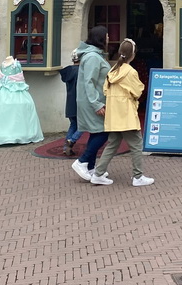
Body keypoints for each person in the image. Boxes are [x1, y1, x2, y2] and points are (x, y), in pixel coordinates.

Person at [90, 38, 154, 187]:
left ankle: (98, 173)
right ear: (133, 54)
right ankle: (138, 176)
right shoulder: (130, 72)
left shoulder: (112, 70)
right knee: (137, 143)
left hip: (113, 112)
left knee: (112, 144)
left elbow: (105, 90)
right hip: (126, 112)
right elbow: (138, 91)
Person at [71, 26, 112, 182]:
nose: (108, 39)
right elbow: (89, 82)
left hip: (92, 101)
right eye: (107, 36)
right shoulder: (93, 57)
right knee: (103, 131)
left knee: (96, 132)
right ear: (101, 38)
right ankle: (82, 161)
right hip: (92, 102)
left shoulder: (92, 55)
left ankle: (91, 167)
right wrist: (97, 104)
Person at [0, 56, 44, 145]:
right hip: (2, 89)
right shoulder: (3, 64)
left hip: (15, 89)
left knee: (17, 109)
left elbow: (20, 79)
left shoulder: (16, 64)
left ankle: (18, 134)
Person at [58, 50, 83, 156]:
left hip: (70, 103)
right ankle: (71, 140)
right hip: (79, 102)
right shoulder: (81, 72)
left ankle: (66, 147)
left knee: (73, 124)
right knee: (83, 125)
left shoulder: (68, 72)